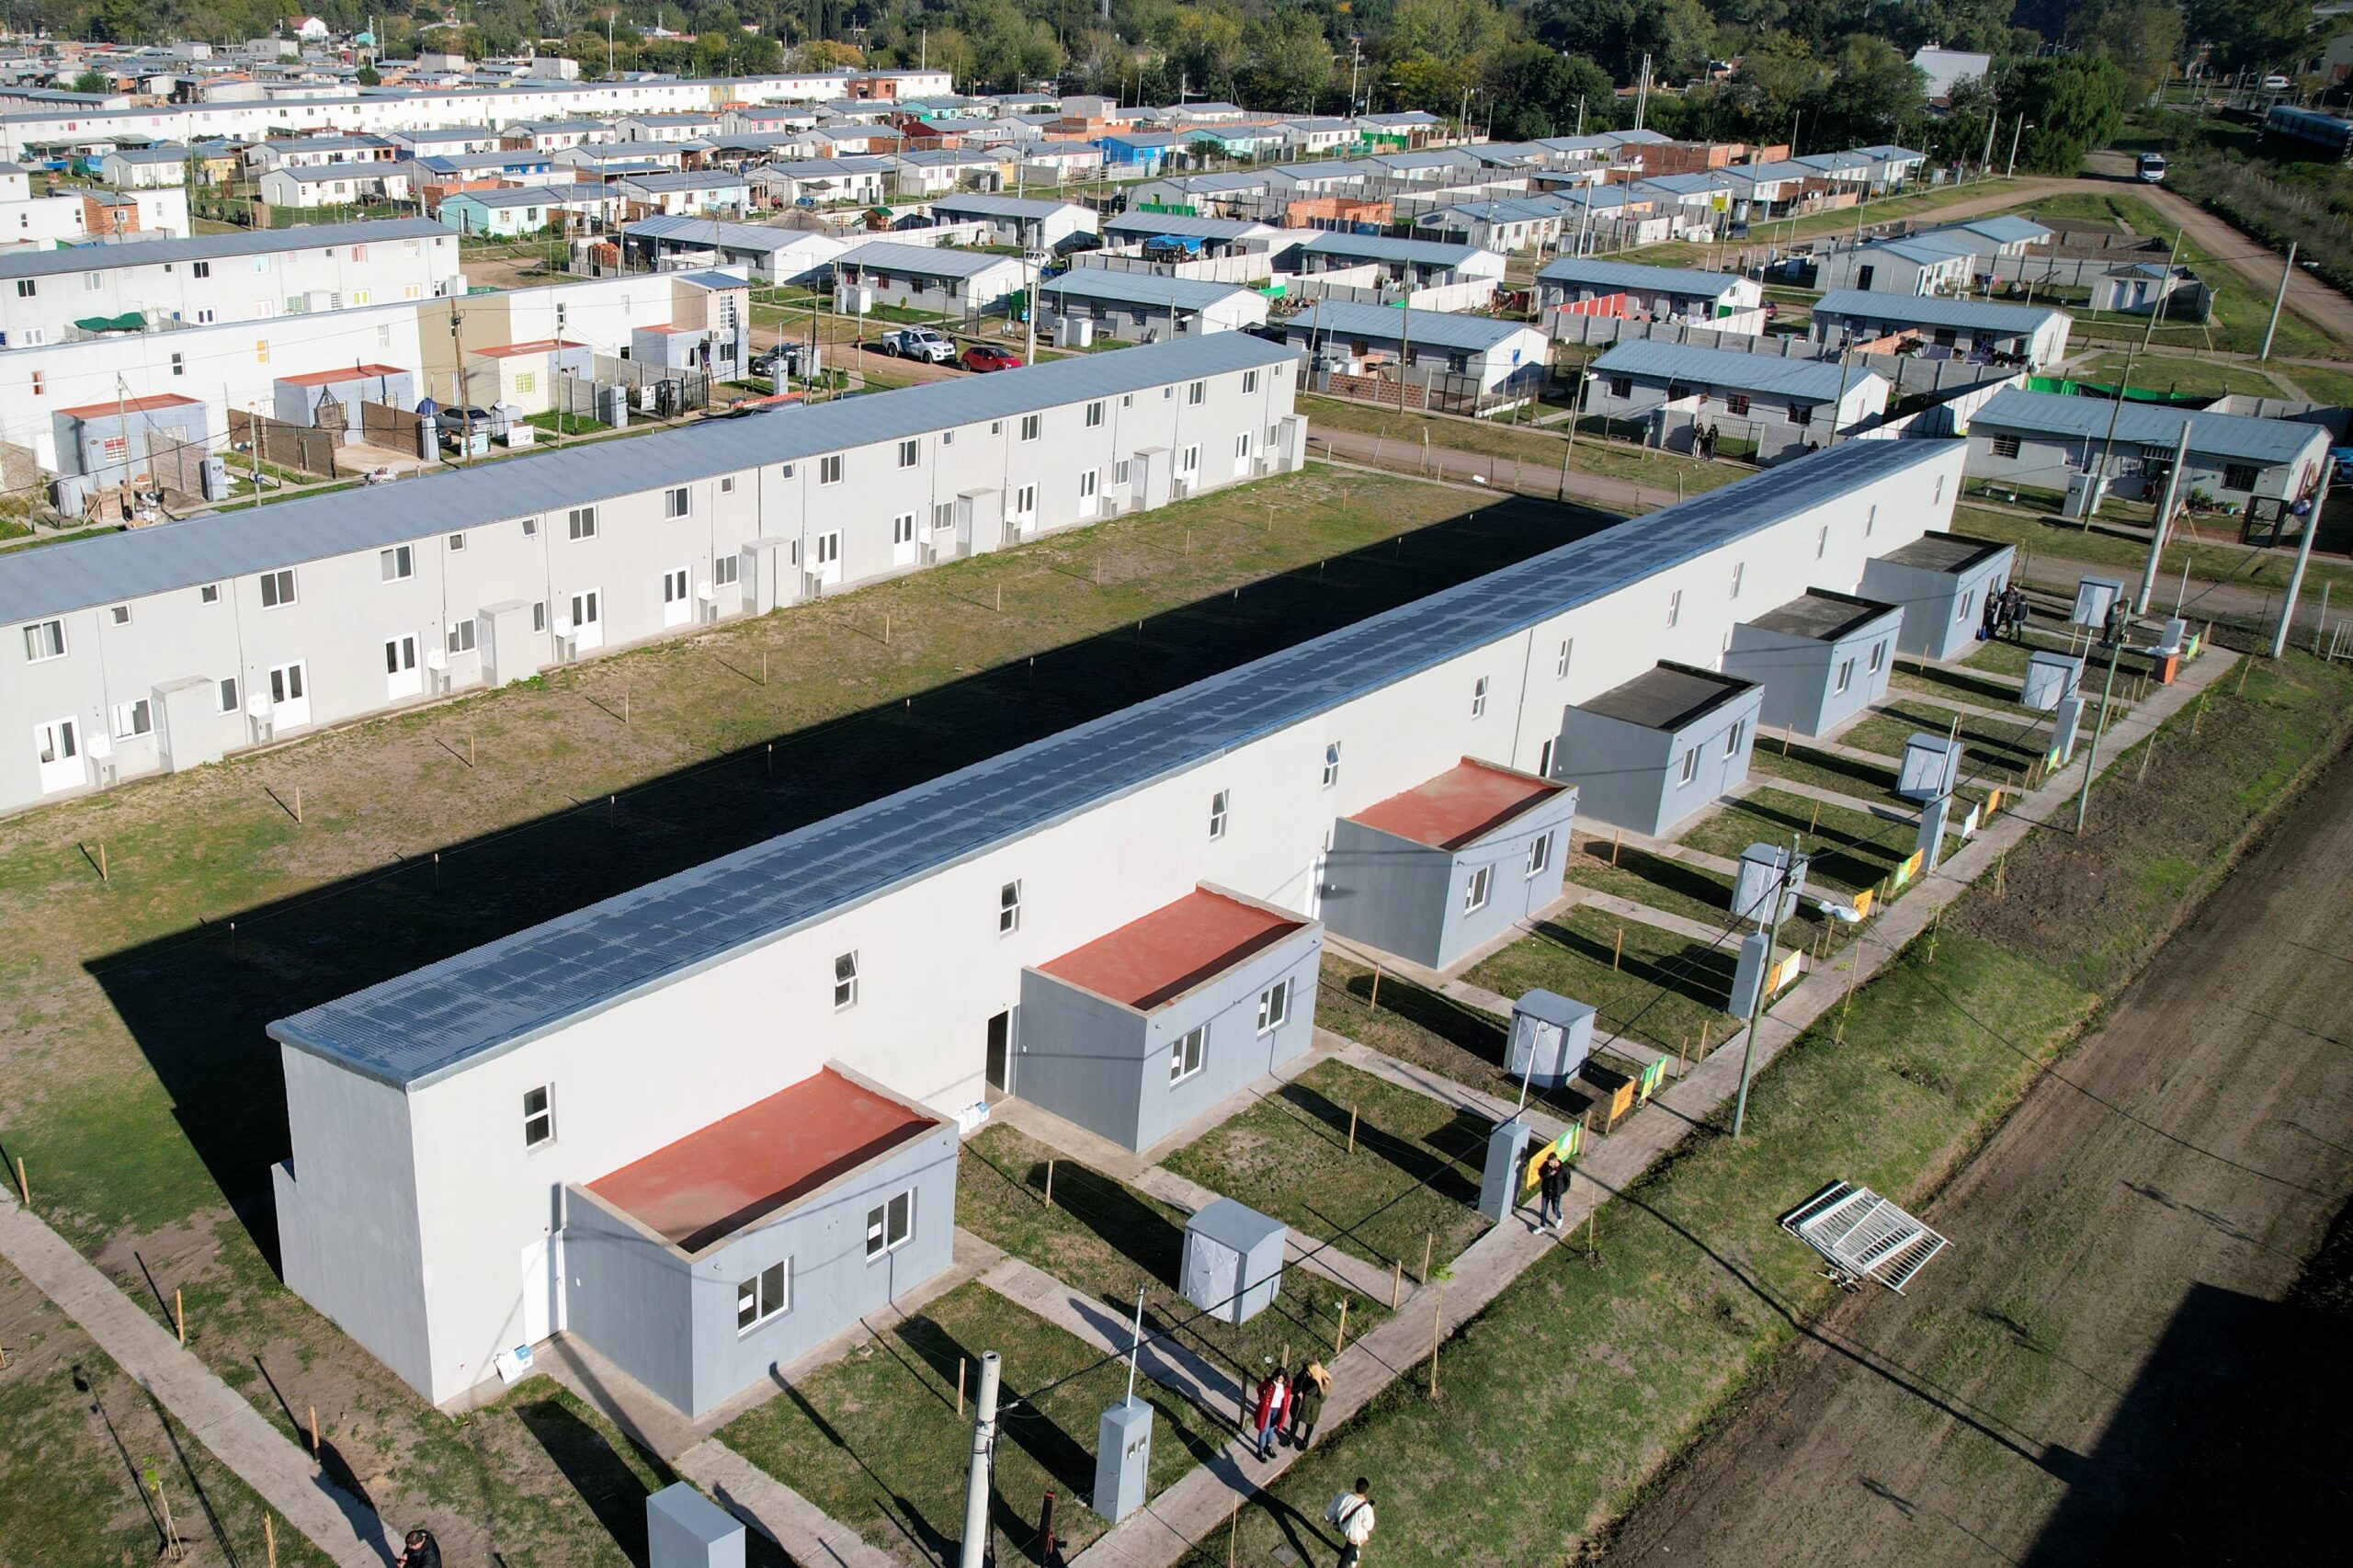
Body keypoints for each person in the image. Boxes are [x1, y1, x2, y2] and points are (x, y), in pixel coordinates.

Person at [1325, 1478, 1377, 1568]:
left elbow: (1330, 1512)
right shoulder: (1367, 1508)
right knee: (1343, 1561)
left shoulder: (1343, 1496)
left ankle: (1354, 1556)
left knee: (1349, 1550)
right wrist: (1371, 1511)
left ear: (1355, 1486)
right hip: (1353, 1535)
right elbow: (1368, 1527)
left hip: (1342, 1527)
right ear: (1366, 1491)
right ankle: (1353, 1556)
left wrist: (1328, 1518)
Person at [1290, 1360, 1331, 1449]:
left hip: (1311, 1408)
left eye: (1309, 1372)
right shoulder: (1304, 1374)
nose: (1307, 1373)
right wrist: (1295, 1390)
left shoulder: (1321, 1383)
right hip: (1299, 1404)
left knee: (1309, 1424)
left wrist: (1305, 1398)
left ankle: (1305, 1440)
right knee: (1294, 1420)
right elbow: (1295, 1383)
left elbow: (1321, 1399)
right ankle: (1291, 1436)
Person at [1252, 1369, 1289, 1460]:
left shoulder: (1285, 1386)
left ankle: (1268, 1446)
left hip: (1277, 1409)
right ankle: (1260, 1450)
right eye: (1278, 1378)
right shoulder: (1269, 1383)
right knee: (1264, 1430)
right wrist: (1262, 1399)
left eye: (1281, 1379)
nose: (1279, 1380)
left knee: (1272, 1428)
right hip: (1268, 1409)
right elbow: (1259, 1389)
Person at [1538, 1149, 1566, 1232]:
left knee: (1555, 1209)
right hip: (1546, 1191)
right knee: (1543, 1209)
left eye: (1551, 1162)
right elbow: (1541, 1174)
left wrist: (1561, 1191)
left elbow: (1567, 1182)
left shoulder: (1563, 1169)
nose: (1549, 1164)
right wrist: (1549, 1174)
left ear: (1555, 1161)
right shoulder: (1546, 1166)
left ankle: (1560, 1217)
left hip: (1556, 1193)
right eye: (1549, 1162)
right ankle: (1542, 1226)